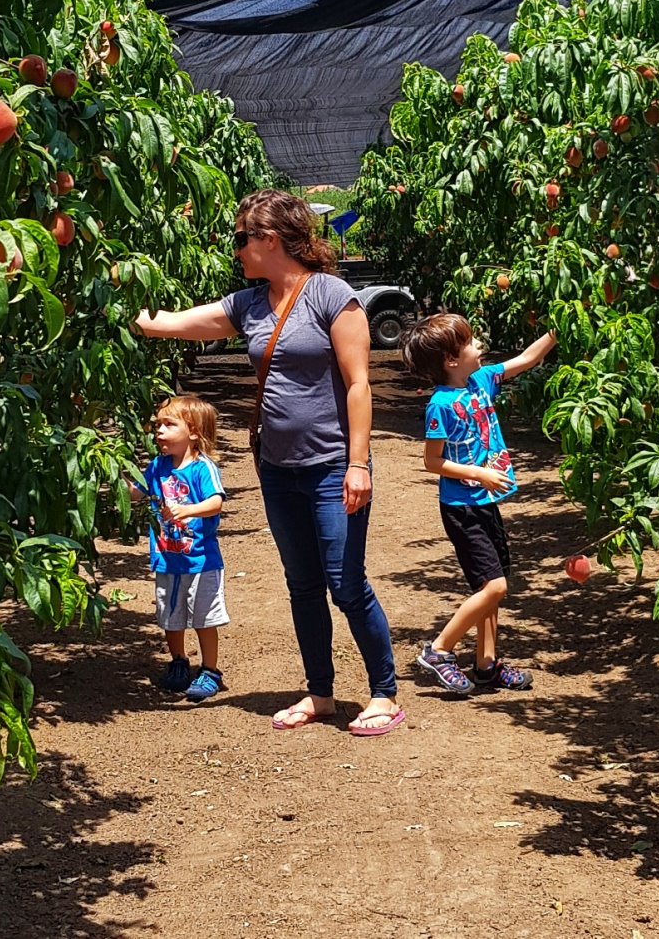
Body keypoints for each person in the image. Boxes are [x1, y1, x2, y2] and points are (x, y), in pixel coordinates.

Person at [136, 189, 403, 737]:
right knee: (302, 585)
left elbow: (358, 385)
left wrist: (359, 465)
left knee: (345, 582)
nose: (235, 250)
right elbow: (173, 323)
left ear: (270, 240)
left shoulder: (333, 295)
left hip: (333, 466)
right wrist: (124, 298)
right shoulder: (249, 304)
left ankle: (384, 693)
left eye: (241, 239)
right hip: (278, 469)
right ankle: (320, 693)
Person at [401, 313, 556, 694]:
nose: (478, 346)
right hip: (462, 506)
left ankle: (486, 665)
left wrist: (559, 326)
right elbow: (432, 462)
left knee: (492, 586)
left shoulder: (482, 380)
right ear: (451, 360)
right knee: (495, 587)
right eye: (469, 342)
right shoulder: (439, 405)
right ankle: (438, 650)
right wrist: (481, 472)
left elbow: (527, 359)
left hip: (484, 502)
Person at [129, 395, 228, 703]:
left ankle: (210, 670)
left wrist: (189, 511)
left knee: (203, 618)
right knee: (170, 616)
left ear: (194, 431)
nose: (159, 431)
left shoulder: (202, 468)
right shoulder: (157, 466)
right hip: (166, 559)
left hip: (200, 561)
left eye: (169, 425)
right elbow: (136, 494)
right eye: (157, 425)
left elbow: (216, 502)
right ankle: (178, 662)